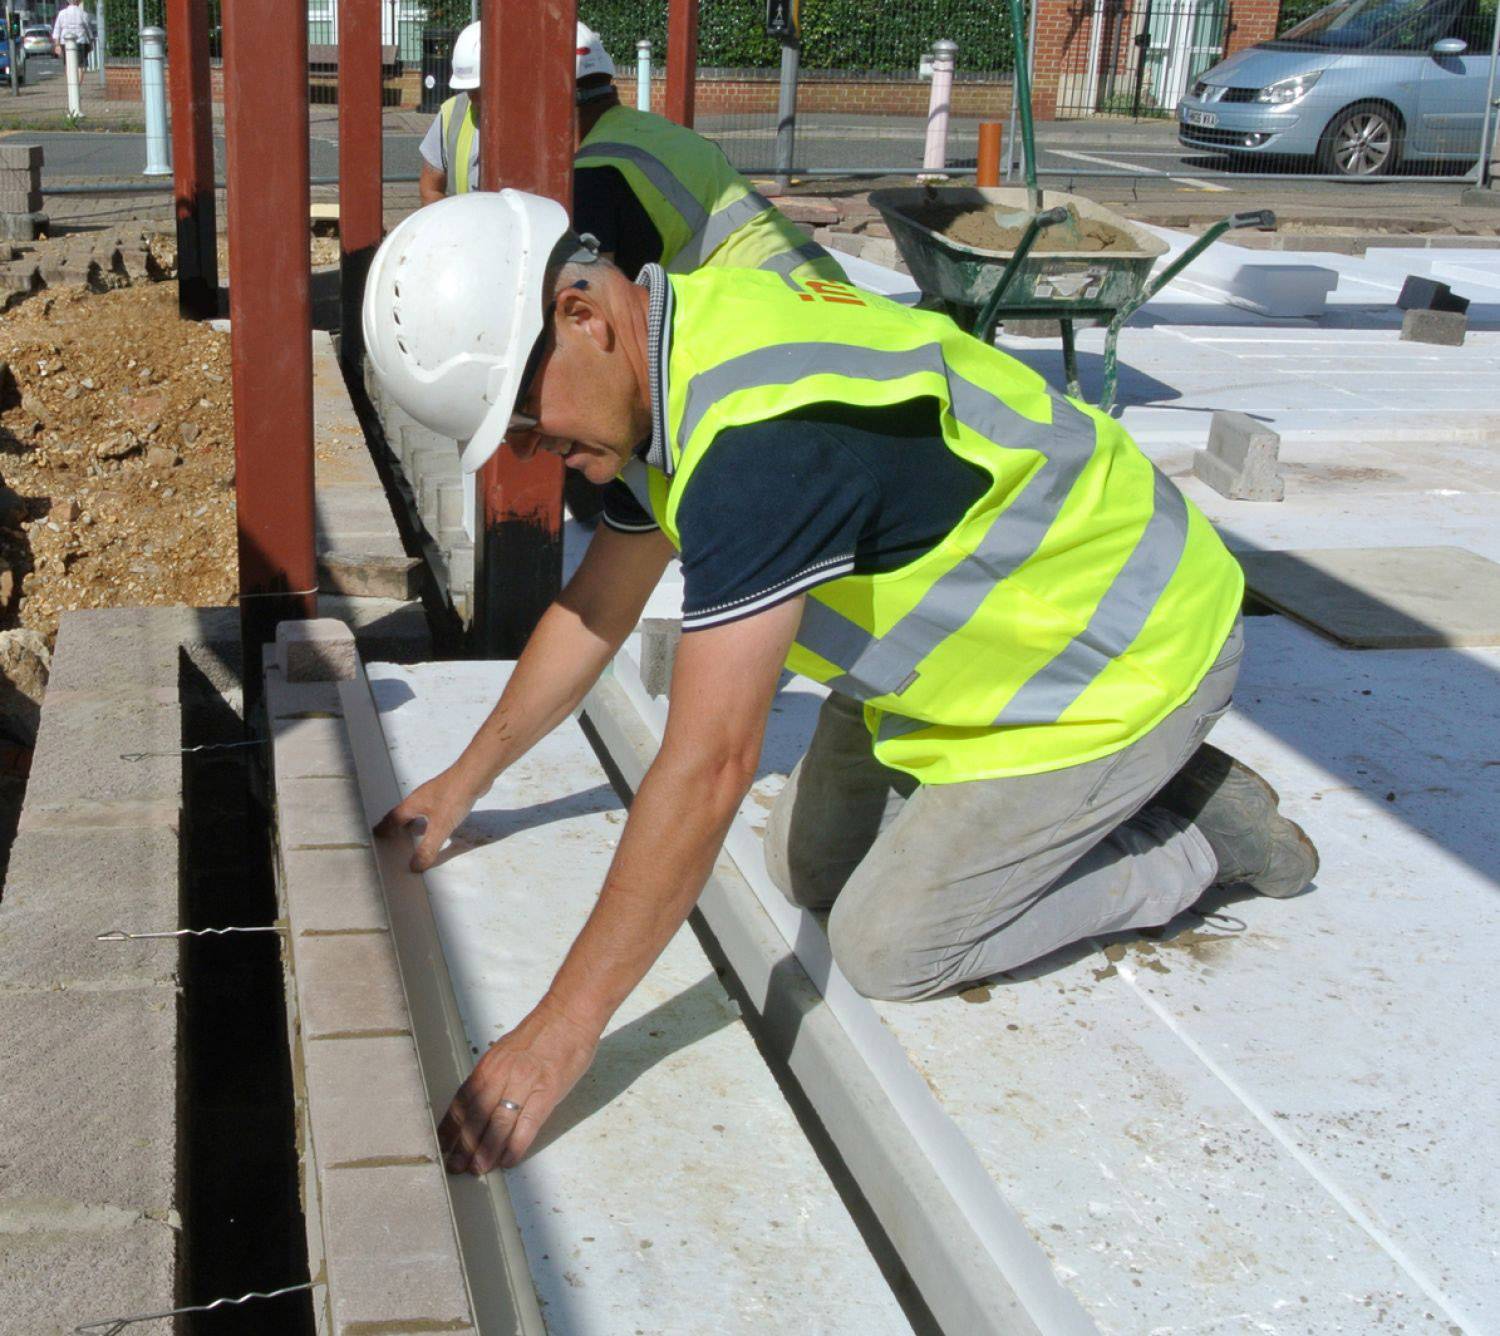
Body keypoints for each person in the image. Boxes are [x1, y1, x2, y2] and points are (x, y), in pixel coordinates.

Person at [361, 191, 1319, 1178]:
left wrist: (558, 1033)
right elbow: (598, 607)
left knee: (888, 947)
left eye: (524, 416)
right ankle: (1080, 803)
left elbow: (710, 766)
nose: (532, 451)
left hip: (1121, 652)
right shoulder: (680, 357)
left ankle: (1193, 835)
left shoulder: (759, 442)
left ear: (585, 319)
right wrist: (461, 780)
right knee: (806, 872)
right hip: (982, 654)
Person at [572, 23, 845, 285]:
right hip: (827, 285)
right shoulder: (654, 132)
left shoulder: (593, 171)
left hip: (770, 311)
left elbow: (593, 298)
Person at [418, 22, 481, 204]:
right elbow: (430, 188)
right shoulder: (452, 112)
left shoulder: (532, 116)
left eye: (478, 88)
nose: (473, 96)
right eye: (468, 88)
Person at [50, 0, 92, 69]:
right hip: (80, 41)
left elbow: (57, 30)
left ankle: (69, 80)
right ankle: (79, 80)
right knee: (80, 66)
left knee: (67, 64)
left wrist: (57, 45)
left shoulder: (61, 13)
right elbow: (88, 31)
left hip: (65, 42)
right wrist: (90, 43)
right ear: (78, 1)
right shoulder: (83, 14)